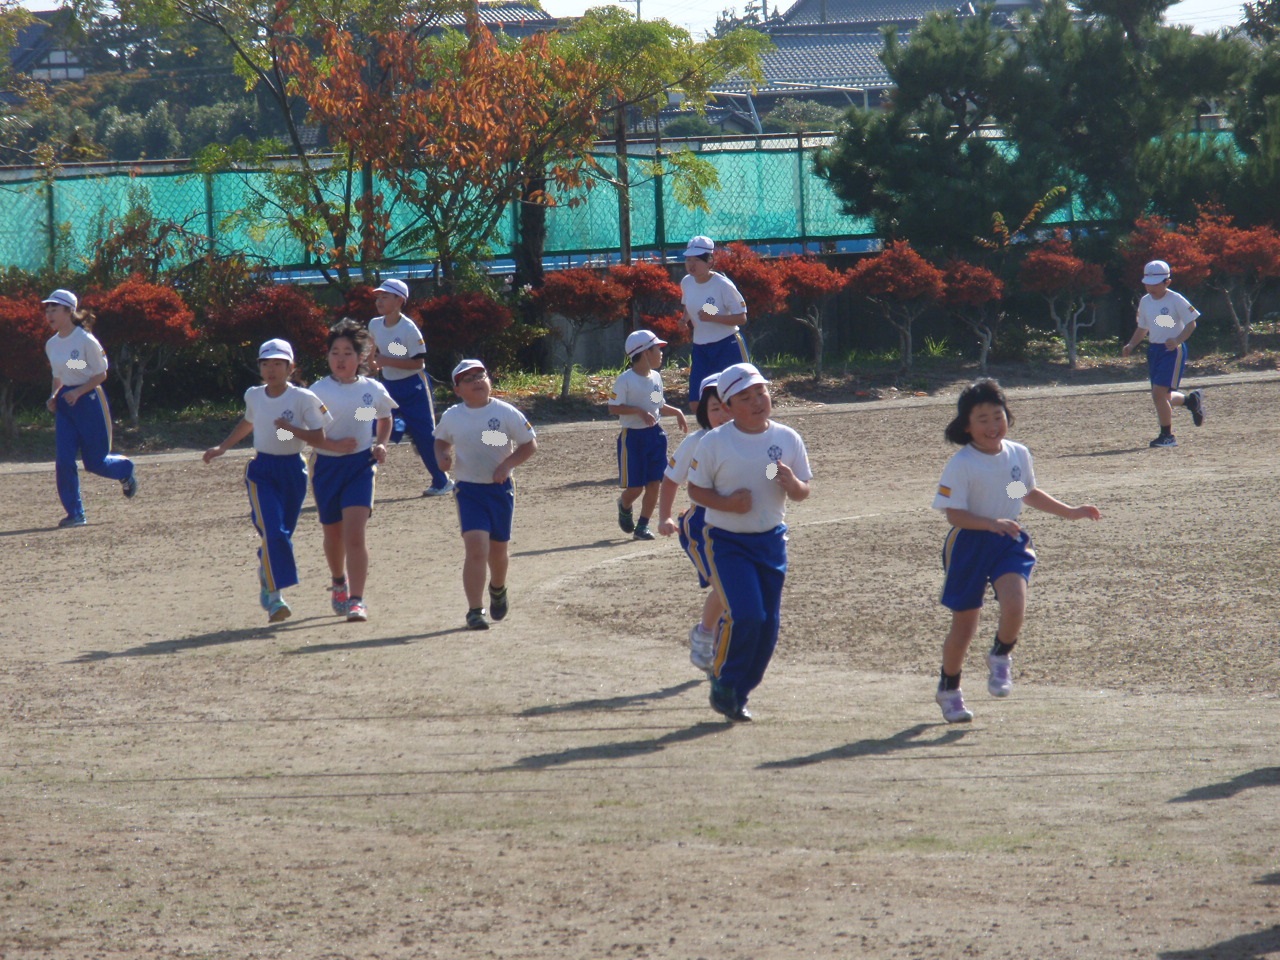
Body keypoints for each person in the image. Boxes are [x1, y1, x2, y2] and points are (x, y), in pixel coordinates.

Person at [932, 379, 1102, 723]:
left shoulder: (1017, 454)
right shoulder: (962, 464)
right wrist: (989, 523)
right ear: (966, 426)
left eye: (998, 416)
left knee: (1015, 604)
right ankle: (949, 688)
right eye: (982, 419)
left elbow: (1021, 492)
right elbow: (954, 515)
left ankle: (1000, 654)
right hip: (968, 544)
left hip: (1008, 539)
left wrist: (1070, 511)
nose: (993, 426)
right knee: (964, 625)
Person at [687, 362, 812, 722]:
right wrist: (728, 504)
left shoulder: (786, 439)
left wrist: (793, 485)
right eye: (745, 397)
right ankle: (723, 681)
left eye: (761, 392)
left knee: (768, 626)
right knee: (747, 615)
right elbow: (695, 490)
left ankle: (739, 693)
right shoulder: (715, 443)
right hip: (727, 543)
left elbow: (802, 489)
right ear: (727, 407)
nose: (757, 401)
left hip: (771, 542)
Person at [203, 338, 354, 624]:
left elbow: (317, 437)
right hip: (261, 471)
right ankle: (275, 598)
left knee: (281, 535)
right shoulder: (254, 395)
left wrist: (290, 429)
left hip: (293, 471)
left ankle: (266, 571)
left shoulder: (304, 398)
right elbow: (249, 422)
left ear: (290, 367)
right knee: (274, 531)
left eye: (277, 364)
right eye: (265, 364)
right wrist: (222, 447)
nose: (271, 369)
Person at [434, 359, 538, 631]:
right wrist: (442, 455)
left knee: (498, 550)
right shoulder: (453, 416)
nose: (477, 382)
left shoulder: (505, 412)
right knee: (477, 548)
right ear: (457, 390)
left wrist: (507, 465)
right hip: (468, 490)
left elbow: (529, 444)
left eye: (481, 376)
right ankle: (474, 610)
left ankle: (498, 588)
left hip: (499, 490)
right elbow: (440, 439)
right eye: (468, 379)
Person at [308, 319, 398, 623]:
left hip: (360, 466)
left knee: (355, 535)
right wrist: (330, 444)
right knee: (333, 534)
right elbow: (298, 432)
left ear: (360, 357)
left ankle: (357, 600)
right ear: (327, 356)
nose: (341, 359)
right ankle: (338, 582)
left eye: (348, 353)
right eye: (335, 352)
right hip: (326, 468)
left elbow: (384, 418)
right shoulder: (317, 392)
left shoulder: (372, 390)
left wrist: (381, 443)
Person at [43, 288, 138, 527]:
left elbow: (99, 373)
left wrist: (78, 391)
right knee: (64, 461)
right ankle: (75, 513)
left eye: (54, 309)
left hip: (89, 400)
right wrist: (54, 396)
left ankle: (124, 469)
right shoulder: (52, 345)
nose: (49, 314)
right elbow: (59, 375)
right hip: (66, 404)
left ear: (69, 311)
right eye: (47, 310)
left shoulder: (85, 340)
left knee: (95, 463)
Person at [657, 373, 732, 673]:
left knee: (736, 590)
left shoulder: (753, 439)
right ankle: (705, 635)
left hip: (740, 523)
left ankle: (718, 644)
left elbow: (766, 470)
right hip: (702, 526)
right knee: (726, 586)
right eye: (715, 408)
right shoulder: (697, 442)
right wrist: (663, 516)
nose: (723, 414)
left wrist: (778, 474)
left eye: (729, 405)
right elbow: (670, 479)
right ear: (703, 412)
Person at [366, 278, 454, 495]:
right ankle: (361, 476)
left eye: (385, 297)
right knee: (371, 424)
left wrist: (385, 361)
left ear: (399, 301)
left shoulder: (408, 329)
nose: (379, 301)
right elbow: (372, 348)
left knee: (425, 436)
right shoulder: (374, 324)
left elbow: (418, 363)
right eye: (378, 297)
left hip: (414, 387)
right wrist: (371, 366)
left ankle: (442, 482)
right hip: (388, 386)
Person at [609, 329, 688, 541]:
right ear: (645, 353)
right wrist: (638, 411)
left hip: (655, 436)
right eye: (657, 349)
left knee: (654, 483)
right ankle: (624, 505)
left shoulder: (656, 378)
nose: (661, 353)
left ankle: (642, 526)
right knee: (635, 488)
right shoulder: (625, 380)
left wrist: (677, 412)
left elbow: (657, 403)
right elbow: (613, 407)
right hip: (632, 439)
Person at [1121, 259, 1206, 448]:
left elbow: (1191, 323)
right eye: (1147, 284)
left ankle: (1167, 436)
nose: (1150, 288)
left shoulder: (1176, 299)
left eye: (1155, 284)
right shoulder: (1145, 301)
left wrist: (1177, 340)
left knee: (1158, 394)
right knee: (1162, 396)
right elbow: (1143, 327)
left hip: (1172, 351)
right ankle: (1191, 401)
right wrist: (1132, 344)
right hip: (1154, 350)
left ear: (1167, 282)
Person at [680, 235, 749, 414]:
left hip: (727, 345)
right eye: (688, 259)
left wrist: (714, 317)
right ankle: (712, 430)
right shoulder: (686, 282)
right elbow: (688, 305)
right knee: (696, 402)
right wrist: (684, 319)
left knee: (736, 397)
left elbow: (741, 318)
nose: (691, 264)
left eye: (697, 260)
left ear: (710, 261)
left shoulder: (722, 285)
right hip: (700, 348)